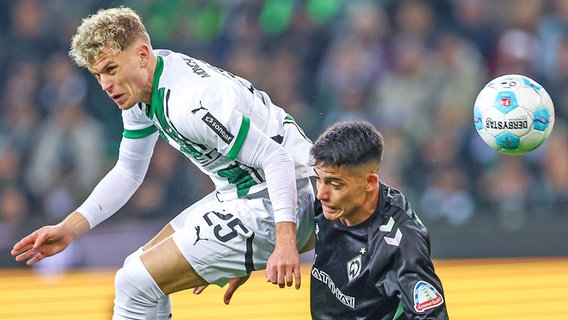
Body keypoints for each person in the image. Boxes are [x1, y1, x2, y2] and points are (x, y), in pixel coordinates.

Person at [11, 7, 315, 319]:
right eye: (97, 75)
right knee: (136, 270)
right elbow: (128, 171)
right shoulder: (144, 87)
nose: (105, 84)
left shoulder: (192, 103)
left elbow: (276, 159)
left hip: (285, 197)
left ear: (142, 54)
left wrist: (282, 241)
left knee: (134, 283)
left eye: (111, 69)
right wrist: (69, 228)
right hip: (244, 194)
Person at [309, 121, 448, 319]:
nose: (321, 193)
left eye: (334, 184)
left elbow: (432, 316)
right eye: (318, 179)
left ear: (369, 182)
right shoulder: (328, 202)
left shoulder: (398, 244)